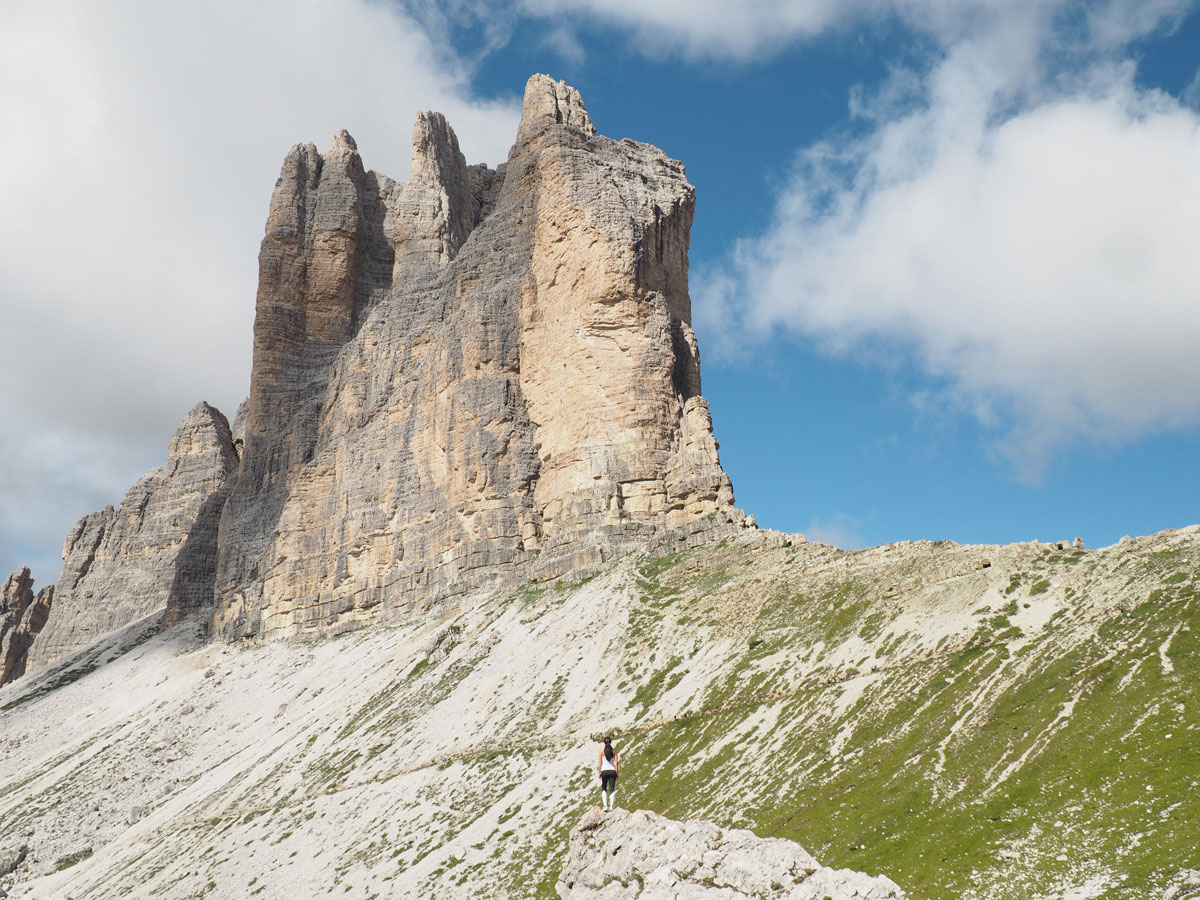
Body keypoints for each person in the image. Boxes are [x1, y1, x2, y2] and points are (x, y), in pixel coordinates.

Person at [598, 735, 619, 811]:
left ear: (604, 743)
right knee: (612, 789)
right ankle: (612, 806)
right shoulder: (614, 751)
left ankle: (605, 806)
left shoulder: (601, 751)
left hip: (604, 771)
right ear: (610, 742)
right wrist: (616, 772)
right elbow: (616, 762)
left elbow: (600, 762)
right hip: (612, 771)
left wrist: (599, 772)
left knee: (604, 788)